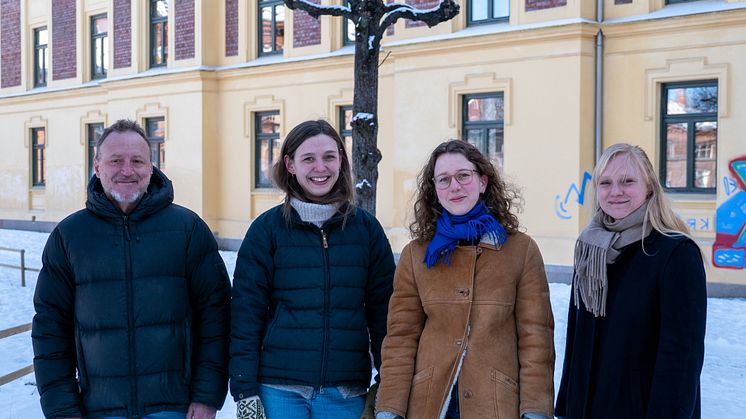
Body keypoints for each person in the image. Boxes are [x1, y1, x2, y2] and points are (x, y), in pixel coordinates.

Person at [32, 119, 231, 419]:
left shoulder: (188, 230)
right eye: (116, 161)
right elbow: (50, 329)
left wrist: (206, 396)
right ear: (97, 168)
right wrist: (63, 410)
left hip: (174, 409)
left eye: (137, 161)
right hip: (97, 410)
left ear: (151, 167)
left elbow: (216, 318)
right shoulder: (69, 236)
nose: (127, 170)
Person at [375, 140, 555, 419]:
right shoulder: (416, 254)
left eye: (463, 176)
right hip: (430, 404)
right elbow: (401, 338)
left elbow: (536, 340)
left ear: (482, 182)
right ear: (434, 190)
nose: (454, 186)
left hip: (496, 404)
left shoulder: (521, 251)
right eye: (443, 179)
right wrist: (389, 408)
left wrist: (535, 409)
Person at [229, 120, 395, 419]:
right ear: (290, 164)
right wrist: (244, 389)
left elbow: (384, 313)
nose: (321, 168)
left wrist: (389, 380)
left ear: (341, 160)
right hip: (279, 390)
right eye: (309, 158)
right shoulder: (266, 231)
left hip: (345, 392)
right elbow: (245, 313)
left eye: (329, 157)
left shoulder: (365, 230)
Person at [555, 143, 707, 419]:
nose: (615, 191)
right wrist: (568, 405)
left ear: (649, 187)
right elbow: (577, 339)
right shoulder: (591, 249)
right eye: (606, 182)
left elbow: (682, 358)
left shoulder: (676, 253)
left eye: (627, 181)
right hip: (588, 407)